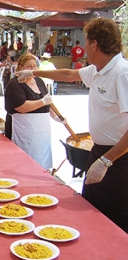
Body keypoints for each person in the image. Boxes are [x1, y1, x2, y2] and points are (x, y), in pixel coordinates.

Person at [16, 17, 128, 233]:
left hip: (119, 158)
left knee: (114, 219)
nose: (84, 47)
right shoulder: (97, 69)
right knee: (92, 209)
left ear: (95, 44)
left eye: (86, 42)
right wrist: (33, 72)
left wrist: (107, 160)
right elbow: (68, 74)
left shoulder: (121, 73)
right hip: (100, 151)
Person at [5, 53, 63, 170]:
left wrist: (57, 116)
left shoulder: (39, 81)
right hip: (23, 130)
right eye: (29, 67)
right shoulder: (15, 84)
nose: (33, 69)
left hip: (42, 132)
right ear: (21, 68)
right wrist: (42, 102)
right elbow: (21, 107)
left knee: (41, 160)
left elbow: (48, 103)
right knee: (23, 163)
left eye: (35, 66)